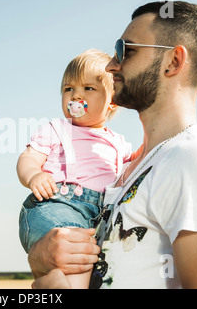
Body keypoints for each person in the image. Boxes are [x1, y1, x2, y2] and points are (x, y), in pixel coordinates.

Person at [29, 1, 197, 289]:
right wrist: (40, 257)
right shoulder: (130, 168)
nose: (111, 64)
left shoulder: (195, 161)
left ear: (174, 62)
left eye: (125, 50)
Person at [17, 49, 140, 288]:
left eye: (88, 89)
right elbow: (28, 158)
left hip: (96, 218)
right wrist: (34, 175)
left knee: (85, 263)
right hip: (56, 206)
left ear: (112, 101)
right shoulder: (57, 129)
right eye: (68, 89)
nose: (75, 96)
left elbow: (136, 162)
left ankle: (53, 284)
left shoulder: (119, 143)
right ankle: (55, 281)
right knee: (77, 254)